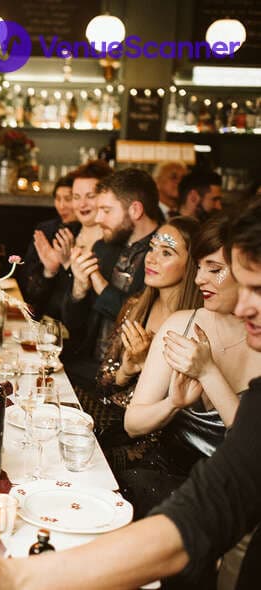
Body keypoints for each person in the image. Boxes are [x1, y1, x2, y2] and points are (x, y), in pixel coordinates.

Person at [0, 199, 261, 590]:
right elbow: (200, 515)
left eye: (254, 287)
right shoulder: (175, 317)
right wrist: (15, 575)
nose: (241, 306)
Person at [121, 213, 261, 520]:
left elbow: (251, 447)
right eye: (198, 268)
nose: (199, 280)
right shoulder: (182, 325)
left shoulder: (257, 340)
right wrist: (173, 403)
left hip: (232, 487)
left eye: (215, 269)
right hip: (169, 468)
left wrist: (208, 372)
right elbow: (132, 424)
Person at [87, 217, 202, 472]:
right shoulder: (136, 305)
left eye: (166, 253)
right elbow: (101, 387)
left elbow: (183, 413)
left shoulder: (195, 325)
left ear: (192, 265)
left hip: (152, 447)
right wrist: (126, 370)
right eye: (152, 248)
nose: (151, 259)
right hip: (108, 421)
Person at [63, 168, 162, 390]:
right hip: (86, 366)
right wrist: (78, 289)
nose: (98, 219)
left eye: (106, 210)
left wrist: (98, 281)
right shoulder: (103, 248)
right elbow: (72, 324)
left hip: (130, 379)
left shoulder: (161, 256)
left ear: (135, 210)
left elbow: (138, 321)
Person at [17, 175, 80, 320]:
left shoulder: (86, 234)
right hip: (41, 312)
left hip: (68, 317)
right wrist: (48, 272)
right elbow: (26, 280)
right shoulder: (45, 230)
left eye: (68, 199)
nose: (62, 205)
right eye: (58, 199)